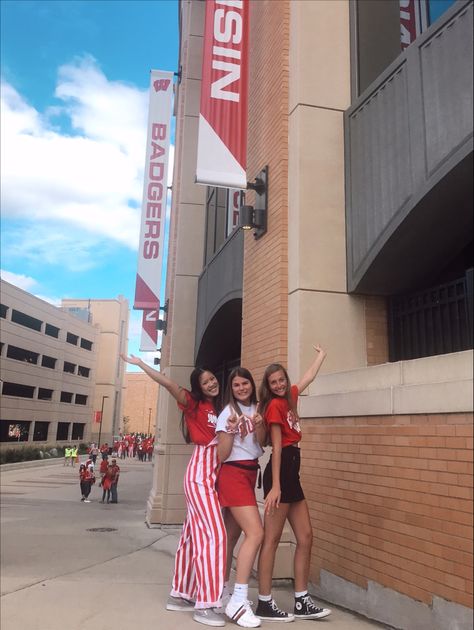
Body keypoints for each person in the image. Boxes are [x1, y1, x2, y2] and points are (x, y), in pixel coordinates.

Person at [121, 353, 226, 628]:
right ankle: (207, 603)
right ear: (198, 387)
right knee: (214, 536)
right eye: (205, 382)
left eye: (213, 378)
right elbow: (168, 384)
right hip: (200, 474)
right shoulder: (193, 404)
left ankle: (180, 594)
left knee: (192, 537)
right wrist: (142, 365)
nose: (212, 383)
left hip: (208, 474)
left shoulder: (218, 409)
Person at [255, 346, 332, 622]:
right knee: (272, 539)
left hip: (292, 471)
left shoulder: (290, 397)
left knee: (306, 536)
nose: (278, 385)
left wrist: (321, 356)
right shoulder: (274, 406)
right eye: (273, 382)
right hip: (282, 469)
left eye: (281, 380)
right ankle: (264, 602)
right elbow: (276, 447)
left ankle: (302, 600)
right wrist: (275, 486)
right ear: (268, 385)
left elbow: (309, 376)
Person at [216, 367, 266, 628]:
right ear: (231, 389)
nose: (241, 388)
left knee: (231, 536)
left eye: (244, 383)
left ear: (251, 384)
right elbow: (222, 455)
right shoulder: (227, 413)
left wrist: (259, 425)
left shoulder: (258, 408)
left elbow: (262, 443)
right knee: (256, 533)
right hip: (233, 474)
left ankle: (220, 591)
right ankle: (238, 598)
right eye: (236, 385)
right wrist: (232, 430)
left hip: (249, 473)